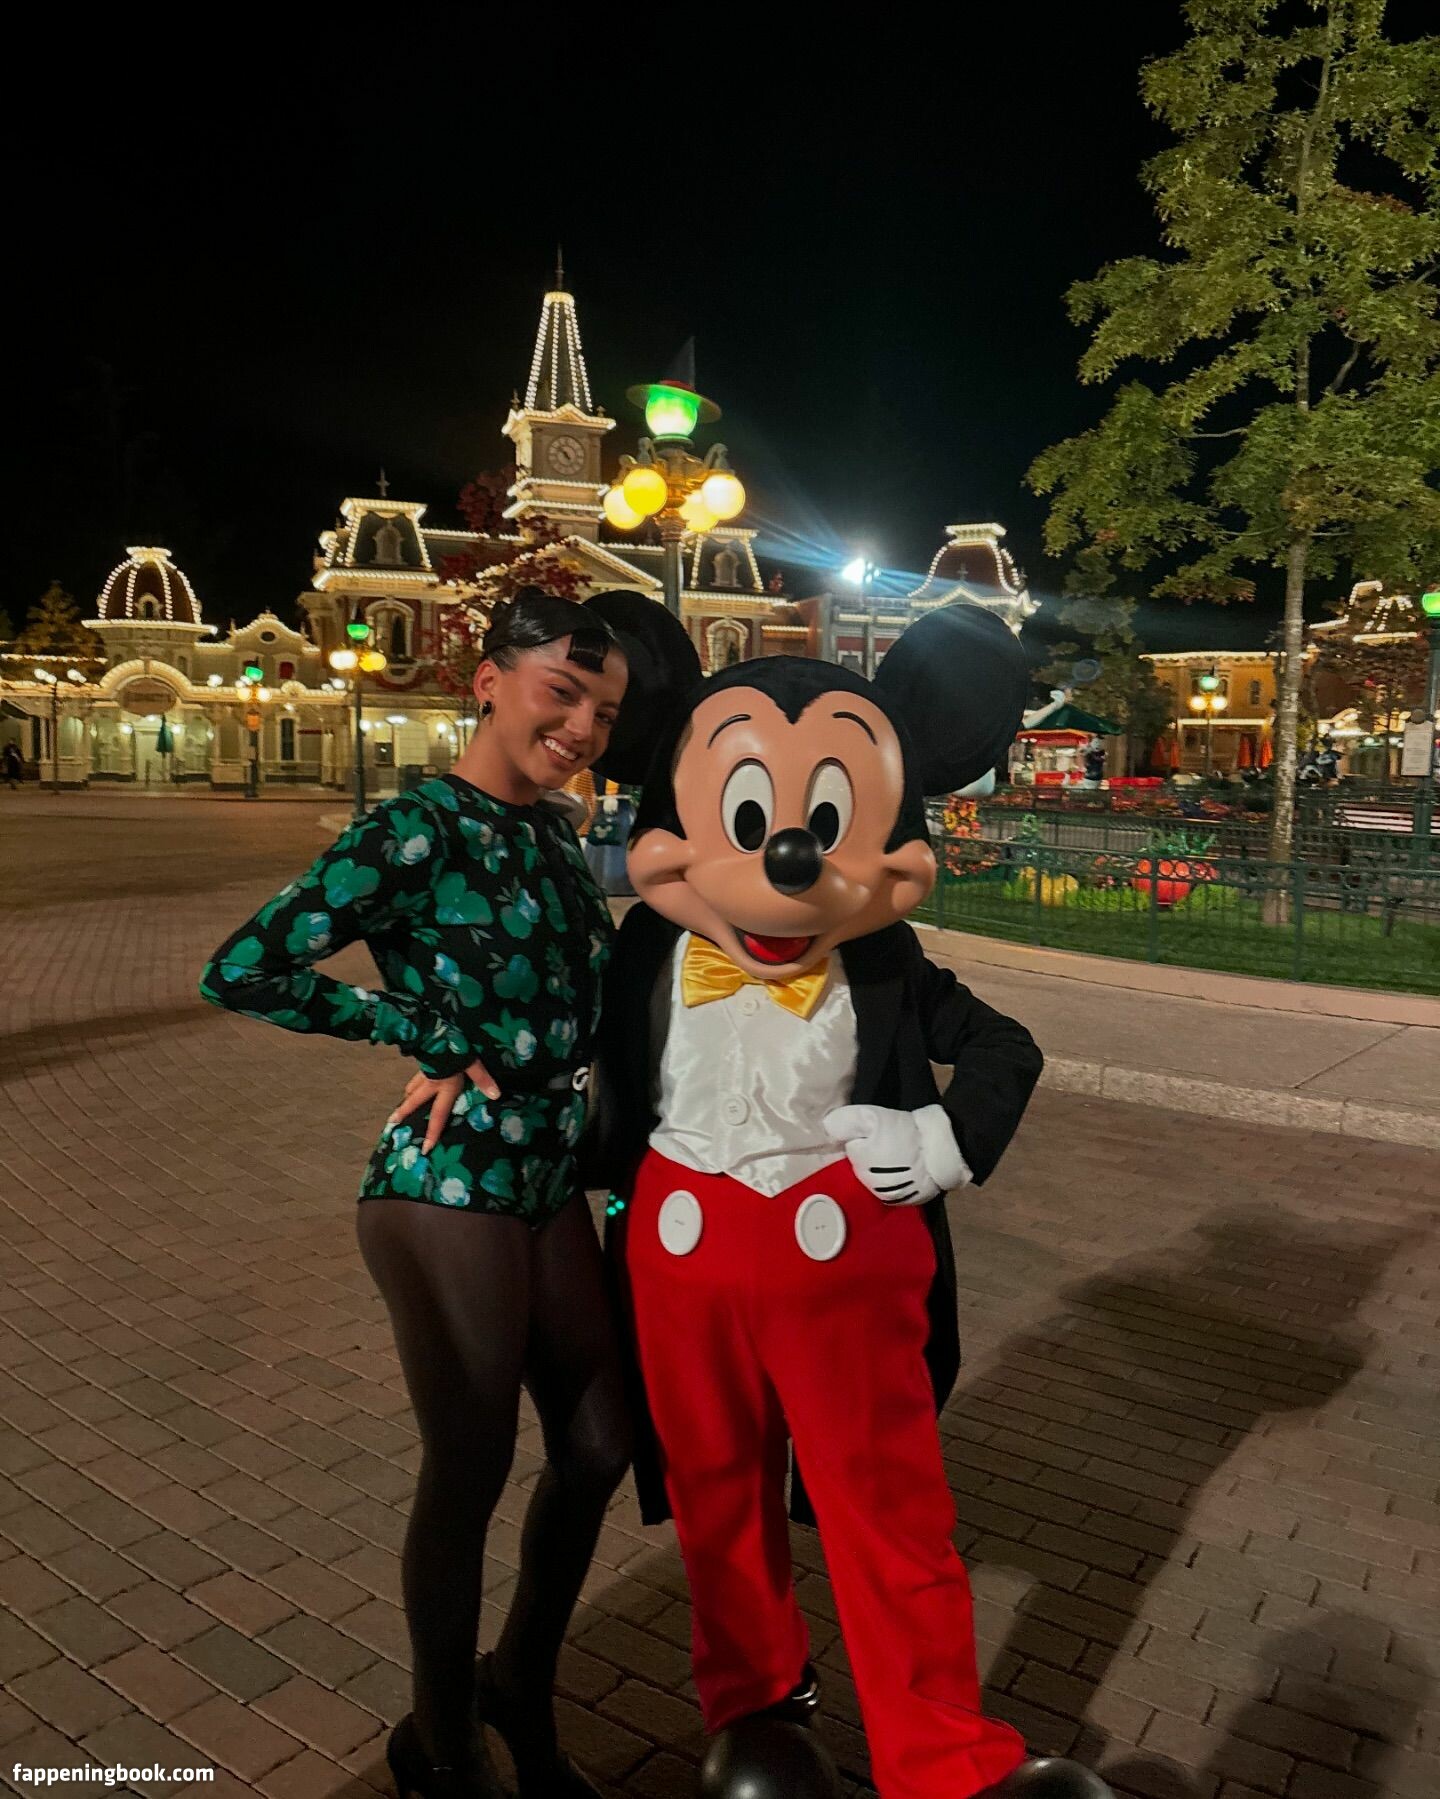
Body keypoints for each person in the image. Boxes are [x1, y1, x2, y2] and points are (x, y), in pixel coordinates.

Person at [590, 606, 1111, 1799]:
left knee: (885, 1506)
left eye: (823, 824)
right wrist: (455, 1060)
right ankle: (755, 1710)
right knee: (716, 1500)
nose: (784, 861)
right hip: (677, 1263)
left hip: (844, 1266)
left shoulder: (883, 961)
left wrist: (942, 1136)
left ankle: (942, 1755)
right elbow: (571, 1053)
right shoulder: (641, 953)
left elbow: (1005, 1048)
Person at [201, 588, 696, 1799]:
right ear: (488, 681)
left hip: (542, 1176)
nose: (580, 727)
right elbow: (243, 966)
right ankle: (438, 1742)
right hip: (444, 1179)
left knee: (602, 1440)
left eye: (604, 712)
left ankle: (515, 1682)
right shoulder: (416, 828)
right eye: (560, 693)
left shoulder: (555, 835)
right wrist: (410, 1026)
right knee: (470, 1464)